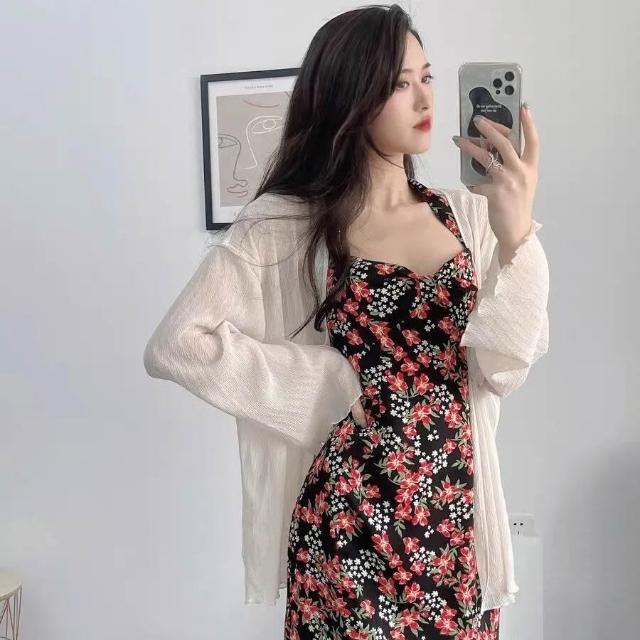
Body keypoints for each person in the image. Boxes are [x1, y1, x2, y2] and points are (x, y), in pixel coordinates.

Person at [143, 4, 549, 639]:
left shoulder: (471, 217)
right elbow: (176, 345)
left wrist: (518, 233)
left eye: (427, 77)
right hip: (353, 519)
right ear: (350, 98)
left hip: (456, 524)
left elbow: (505, 368)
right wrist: (321, 382)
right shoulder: (287, 224)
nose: (425, 98)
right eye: (398, 84)